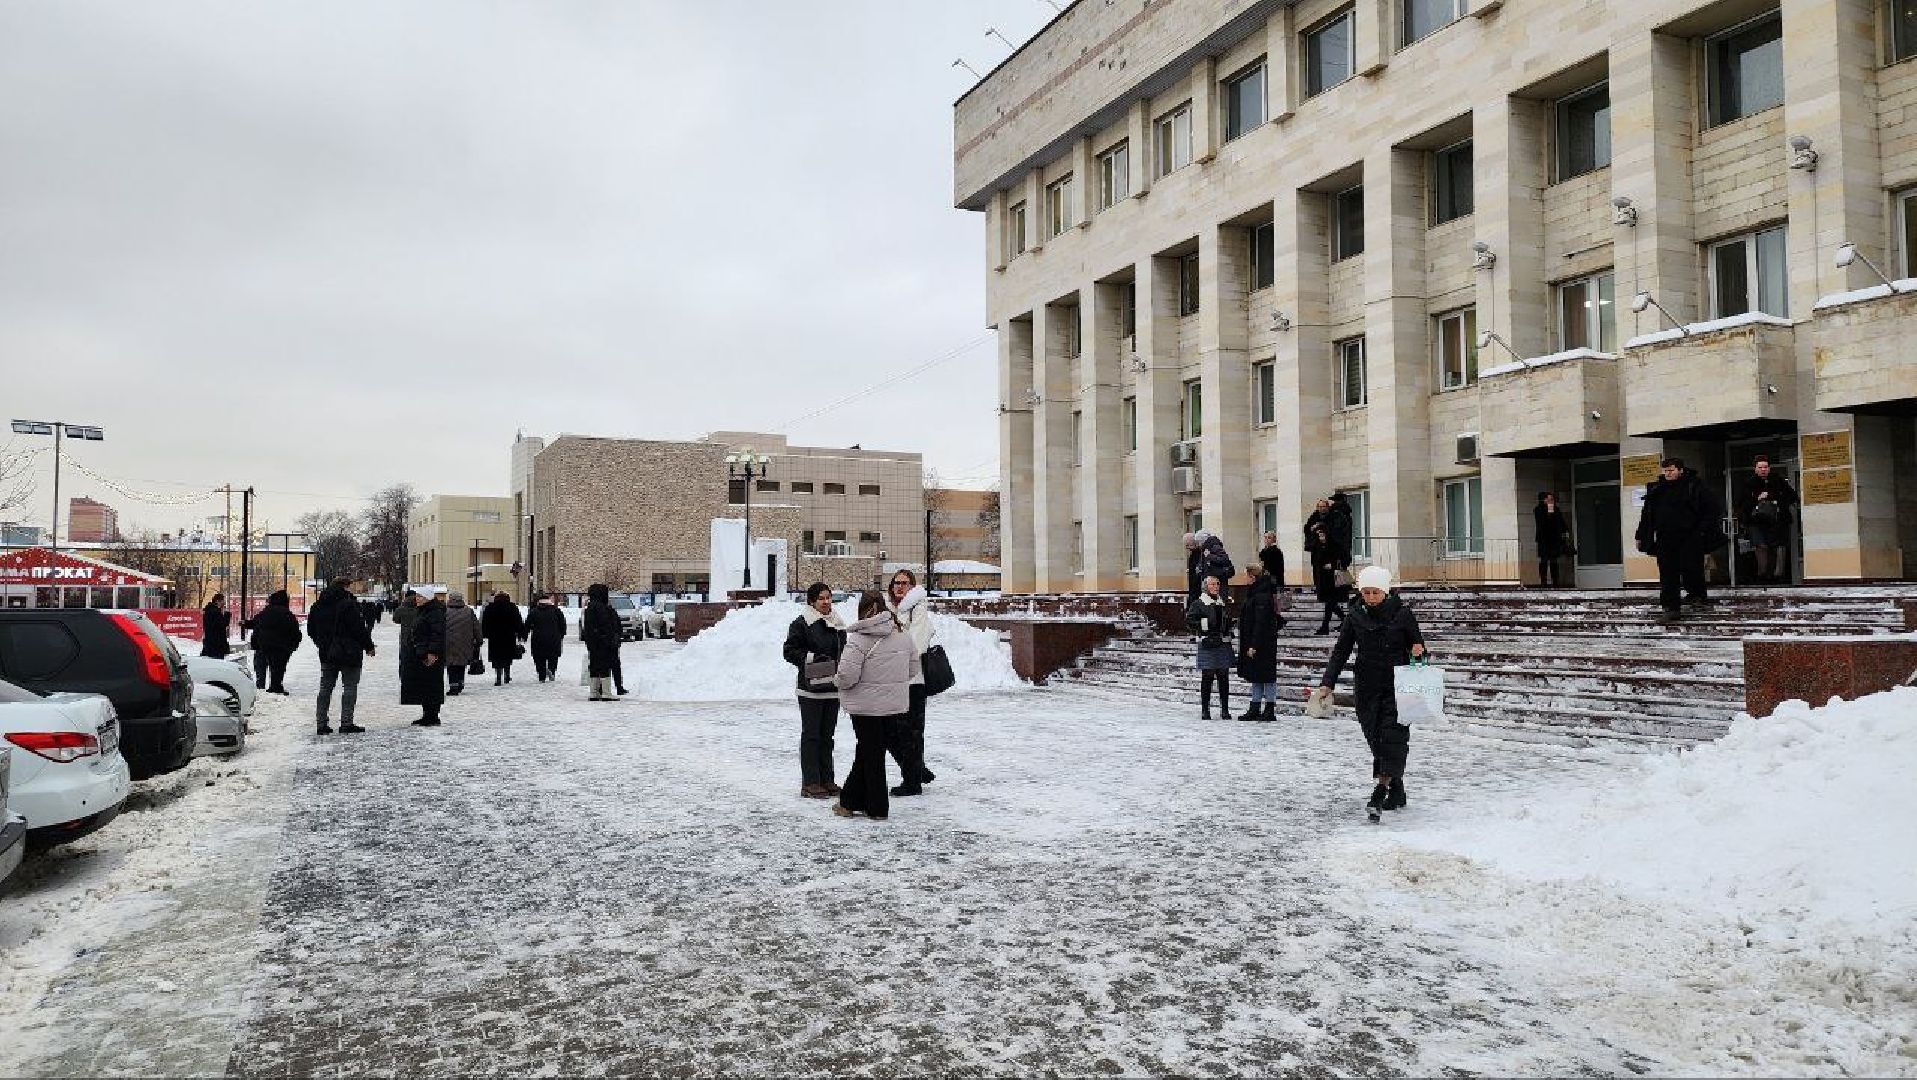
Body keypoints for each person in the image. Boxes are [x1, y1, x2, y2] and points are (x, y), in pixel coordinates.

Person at [1315, 565, 1426, 819]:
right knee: (1375, 738)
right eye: (1366, 592)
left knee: (1391, 737)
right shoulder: (1355, 615)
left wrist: (1418, 652)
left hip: (1397, 686)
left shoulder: (1402, 614)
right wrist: (1327, 682)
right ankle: (1397, 788)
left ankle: (1380, 791)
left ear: (1385, 592)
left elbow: (1418, 646)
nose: (1371, 597)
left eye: (1376, 592)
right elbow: (1341, 651)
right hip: (1366, 686)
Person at [832, 590, 920, 821]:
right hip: (892, 706)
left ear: (862, 610)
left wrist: (836, 681)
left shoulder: (859, 638)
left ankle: (878, 808)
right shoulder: (902, 635)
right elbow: (913, 669)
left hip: (865, 707)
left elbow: (847, 676)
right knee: (869, 751)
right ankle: (849, 801)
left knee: (871, 755)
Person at [1635, 457, 1724, 617]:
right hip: (1665, 538)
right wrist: (1641, 535)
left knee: (1692, 569)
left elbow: (1711, 509)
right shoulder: (1657, 489)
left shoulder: (1694, 486)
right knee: (1667, 573)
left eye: (1671, 470)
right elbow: (1647, 514)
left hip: (1690, 536)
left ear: (1680, 470)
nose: (1668, 473)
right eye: (1666, 470)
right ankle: (1671, 607)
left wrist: (1701, 531)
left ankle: (1697, 597)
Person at [783, 582, 846, 799]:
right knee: (812, 736)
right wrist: (811, 659)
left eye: (829, 597)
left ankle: (827, 780)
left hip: (833, 688)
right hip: (810, 690)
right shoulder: (801, 624)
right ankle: (810, 782)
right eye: (821, 598)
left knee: (827, 737)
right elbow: (789, 651)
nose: (826, 602)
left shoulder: (838, 623)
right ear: (812, 601)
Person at [885, 568, 938, 797]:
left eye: (905, 583)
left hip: (913, 680)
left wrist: (895, 650)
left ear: (912, 586)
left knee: (912, 733)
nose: (900, 586)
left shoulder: (918, 608)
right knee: (889, 731)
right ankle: (917, 770)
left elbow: (917, 643)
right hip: (890, 680)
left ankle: (912, 781)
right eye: (897, 583)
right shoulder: (887, 609)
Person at [309, 577, 374, 735]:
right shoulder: (348, 605)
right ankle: (346, 723)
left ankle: (321, 724)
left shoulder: (318, 605)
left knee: (325, 688)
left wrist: (323, 644)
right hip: (349, 653)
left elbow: (311, 630)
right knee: (350, 687)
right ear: (345, 587)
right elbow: (358, 628)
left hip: (327, 653)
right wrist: (369, 646)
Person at [1740, 455, 1799, 584]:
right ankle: (1761, 575)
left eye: (1765, 467)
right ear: (1755, 469)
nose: (1763, 470)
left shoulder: (1778, 481)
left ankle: (1773, 577)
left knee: (1775, 548)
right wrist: (1757, 498)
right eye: (1760, 467)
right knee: (1761, 547)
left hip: (1776, 521)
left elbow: (1793, 496)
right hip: (1756, 522)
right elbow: (1741, 504)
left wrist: (1775, 499)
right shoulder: (1749, 483)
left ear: (1769, 468)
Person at [1236, 556, 1281, 722]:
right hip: (1258, 642)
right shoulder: (1257, 592)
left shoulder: (1261, 595)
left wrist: (1253, 644)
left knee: (1266, 676)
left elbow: (1260, 622)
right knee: (1256, 675)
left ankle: (1269, 708)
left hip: (1263, 643)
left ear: (1252, 576)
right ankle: (1255, 707)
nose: (1244, 578)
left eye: (1246, 575)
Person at [1187, 575, 1234, 721]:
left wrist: (1228, 627)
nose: (1216, 586)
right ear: (1206, 587)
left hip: (1222, 643)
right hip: (1207, 643)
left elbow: (1228, 619)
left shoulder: (1222, 602)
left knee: (1223, 677)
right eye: (1212, 584)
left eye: (1217, 584)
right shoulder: (1199, 603)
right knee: (1207, 677)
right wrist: (1203, 625)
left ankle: (1225, 710)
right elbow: (1189, 621)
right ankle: (1205, 710)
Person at [399, 587, 446, 726]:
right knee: (425, 684)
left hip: (430, 654)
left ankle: (432, 716)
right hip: (422, 652)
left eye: (420, 596)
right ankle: (427, 714)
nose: (417, 598)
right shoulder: (424, 610)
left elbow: (437, 634)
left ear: (428, 597)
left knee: (431, 684)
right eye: (417, 596)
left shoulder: (434, 612)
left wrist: (432, 652)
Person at [244, 589, 301, 695]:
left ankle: (261, 689)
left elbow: (255, 623)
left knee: (261, 667)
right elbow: (295, 631)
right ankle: (275, 688)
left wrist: (245, 623)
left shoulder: (266, 612)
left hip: (263, 645)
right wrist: (293, 645)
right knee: (277, 669)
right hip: (281, 648)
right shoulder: (287, 614)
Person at [581, 583, 623, 701]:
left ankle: (594, 692)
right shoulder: (601, 607)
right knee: (605, 666)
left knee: (594, 665)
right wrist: (610, 639)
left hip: (592, 642)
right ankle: (606, 693)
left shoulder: (590, 607)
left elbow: (588, 627)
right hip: (603, 642)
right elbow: (606, 626)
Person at [481, 592, 526, 684]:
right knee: (507, 656)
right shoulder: (512, 607)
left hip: (495, 637)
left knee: (496, 657)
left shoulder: (490, 608)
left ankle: (498, 677)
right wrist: (520, 633)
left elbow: (485, 622)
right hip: (509, 636)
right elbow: (518, 621)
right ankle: (507, 675)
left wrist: (485, 634)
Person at [441, 593, 482, 696]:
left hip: (449, 642)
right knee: (461, 663)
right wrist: (479, 639)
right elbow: (476, 627)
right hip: (465, 642)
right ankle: (460, 683)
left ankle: (453, 686)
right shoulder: (468, 611)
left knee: (451, 664)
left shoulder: (445, 612)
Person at [1534, 492, 1572, 587]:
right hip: (1544, 539)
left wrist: (1566, 532)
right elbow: (1543, 523)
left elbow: (1561, 522)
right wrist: (1550, 510)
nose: (1552, 501)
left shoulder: (1556, 509)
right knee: (1544, 560)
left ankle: (1555, 581)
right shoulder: (1538, 509)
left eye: (1552, 499)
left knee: (1554, 560)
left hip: (1554, 539)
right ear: (1544, 500)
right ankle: (1544, 581)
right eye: (1550, 499)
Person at [526, 593, 567, 682]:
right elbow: (562, 624)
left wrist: (524, 635)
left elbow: (527, 625)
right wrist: (561, 635)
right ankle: (552, 670)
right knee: (553, 657)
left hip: (538, 639)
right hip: (554, 638)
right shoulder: (556, 611)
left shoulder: (534, 612)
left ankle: (541, 675)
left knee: (539, 657)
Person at [200, 594, 232, 658]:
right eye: (222, 601)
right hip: (216, 646)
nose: (224, 603)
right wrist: (227, 615)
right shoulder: (215, 612)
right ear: (217, 601)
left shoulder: (209, 610)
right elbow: (222, 624)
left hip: (210, 644)